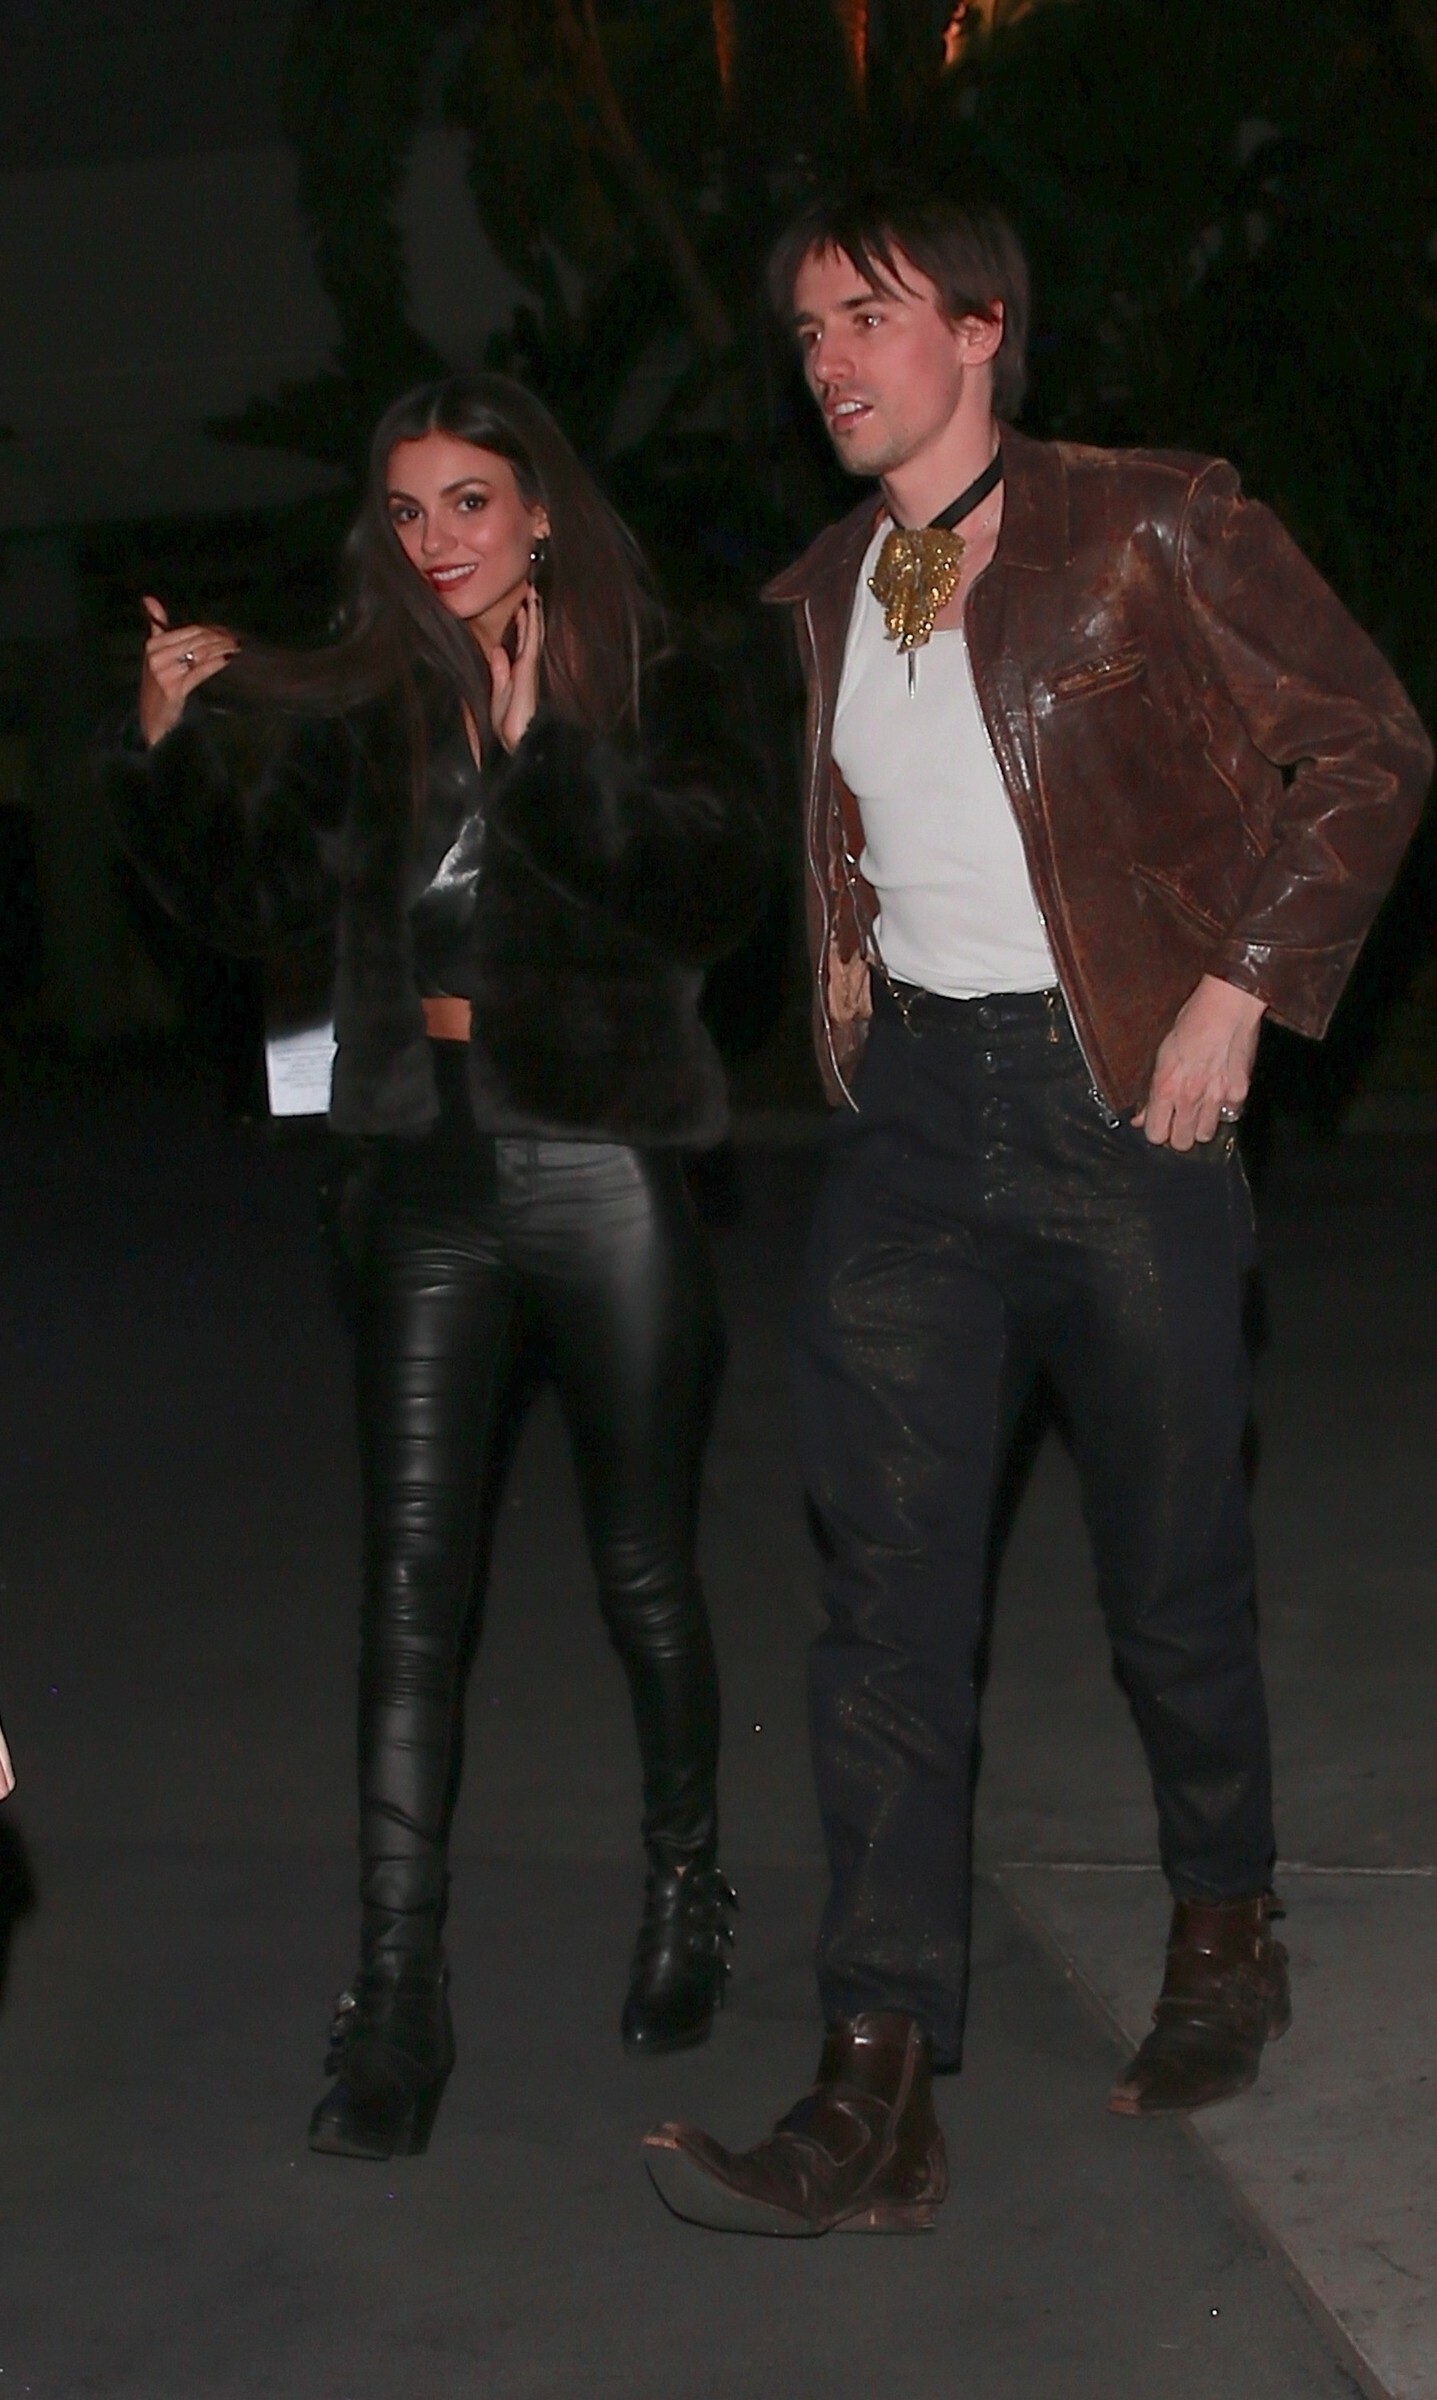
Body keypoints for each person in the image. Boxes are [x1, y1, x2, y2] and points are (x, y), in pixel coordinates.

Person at [643, 188, 1432, 2236]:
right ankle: (873, 2084)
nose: (827, 358)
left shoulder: (1151, 520)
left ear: (981, 326)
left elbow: (1364, 746)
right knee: (882, 1613)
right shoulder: (825, 587)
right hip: (913, 1131)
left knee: (1170, 1576)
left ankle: (1224, 1929)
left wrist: (1238, 992)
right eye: (806, 330)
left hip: (1121, 1113)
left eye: (866, 315)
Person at [106, 373, 765, 2161]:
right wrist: (164, 746)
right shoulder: (372, 702)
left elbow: (713, 895)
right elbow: (249, 904)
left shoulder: (660, 674)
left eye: (468, 502)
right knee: (411, 1590)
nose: (436, 541)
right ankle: (395, 1996)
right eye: (406, 512)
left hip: (607, 1160)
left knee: (643, 1568)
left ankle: (688, 1893)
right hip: (426, 1163)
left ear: (539, 507)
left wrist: (553, 749)